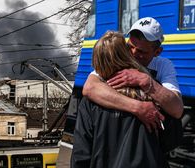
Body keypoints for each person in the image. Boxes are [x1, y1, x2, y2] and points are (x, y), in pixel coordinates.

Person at [71, 31, 168, 168]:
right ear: (126, 55)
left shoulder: (91, 102)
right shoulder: (153, 94)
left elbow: (81, 154)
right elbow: (170, 141)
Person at [82, 17, 183, 131]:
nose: (133, 53)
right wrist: (137, 107)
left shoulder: (163, 65)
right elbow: (89, 87)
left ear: (157, 52)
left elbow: (177, 109)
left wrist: (145, 81)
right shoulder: (119, 59)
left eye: (141, 51)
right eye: (130, 46)